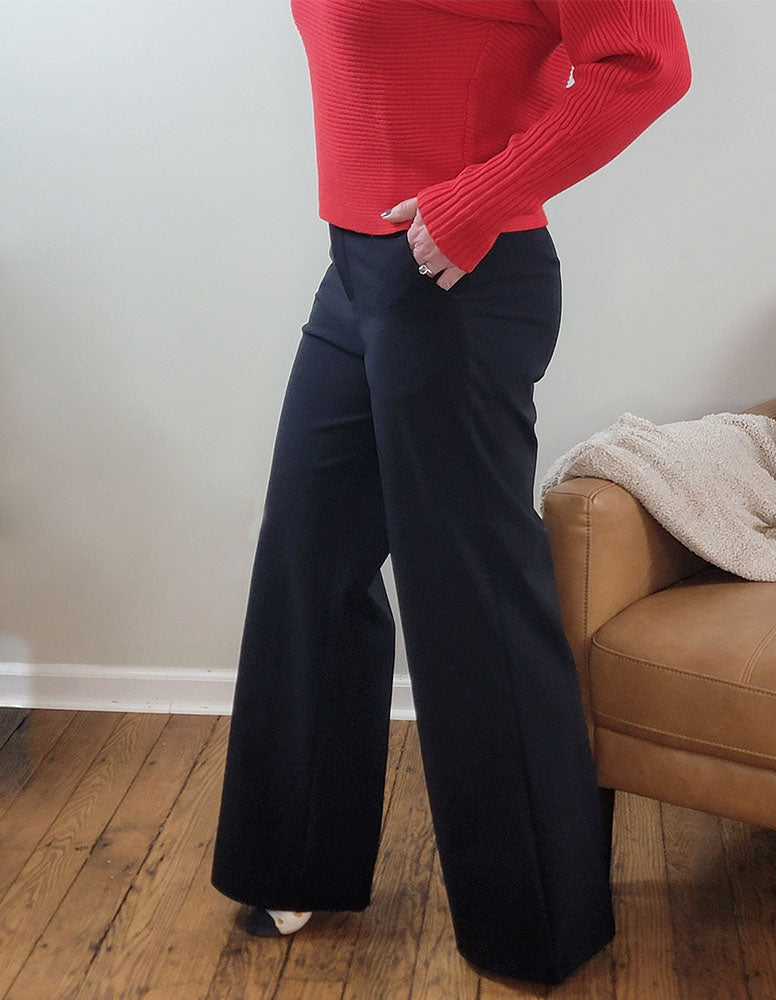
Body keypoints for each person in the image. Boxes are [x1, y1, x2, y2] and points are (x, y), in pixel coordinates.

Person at [210, 0, 692, 985]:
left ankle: (538, 920)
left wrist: (478, 198)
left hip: (457, 274)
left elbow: (643, 61)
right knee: (311, 553)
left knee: (468, 602)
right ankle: (295, 850)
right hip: (356, 270)